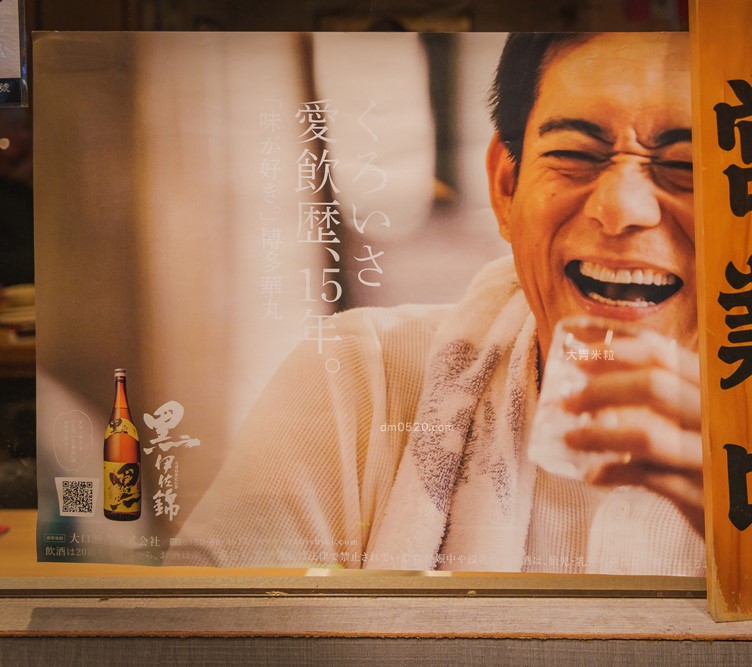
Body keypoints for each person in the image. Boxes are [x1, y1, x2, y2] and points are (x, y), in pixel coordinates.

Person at [169, 32, 704, 576]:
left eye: (686, 164)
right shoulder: (361, 382)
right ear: (506, 184)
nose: (621, 207)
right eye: (575, 155)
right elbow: (198, 635)